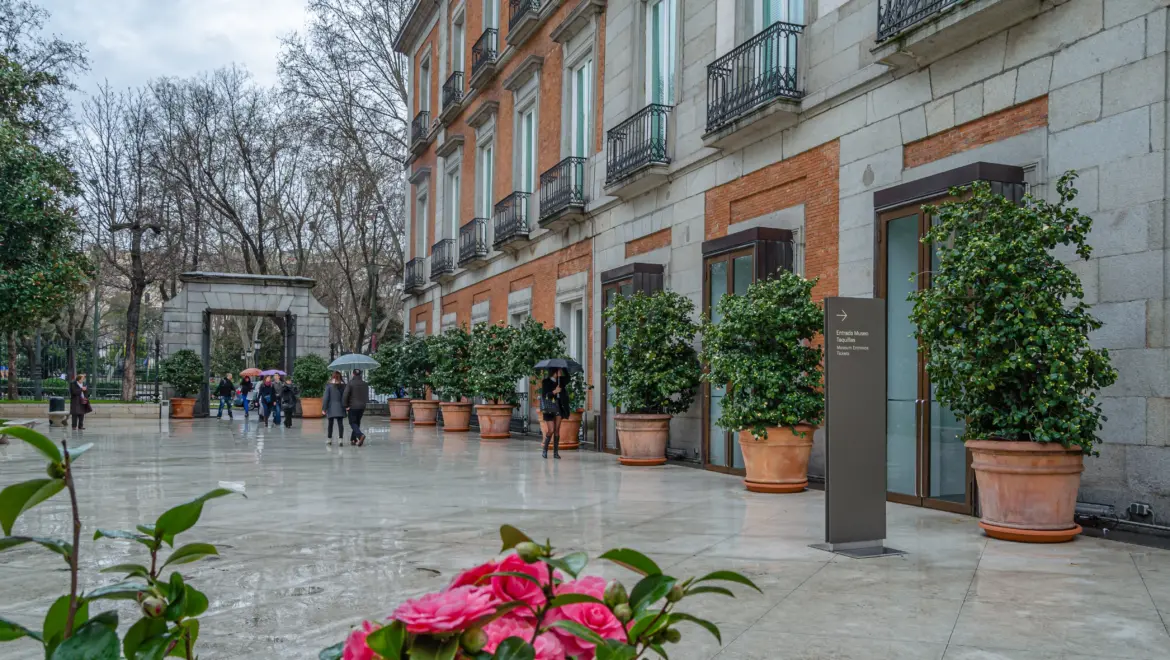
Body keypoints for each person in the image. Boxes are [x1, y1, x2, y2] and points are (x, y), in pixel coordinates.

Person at [540, 368, 570, 459]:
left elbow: (568, 378)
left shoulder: (561, 381)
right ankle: (545, 450)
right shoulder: (546, 381)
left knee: (557, 430)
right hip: (549, 408)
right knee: (551, 430)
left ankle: (555, 453)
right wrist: (554, 391)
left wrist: (564, 368)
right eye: (559, 371)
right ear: (554, 372)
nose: (560, 372)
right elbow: (544, 395)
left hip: (558, 407)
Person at [342, 368, 369, 446]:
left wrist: (345, 406)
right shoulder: (365, 383)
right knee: (357, 422)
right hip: (362, 406)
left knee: (352, 422)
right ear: (360, 374)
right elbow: (366, 396)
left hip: (353, 406)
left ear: (353, 374)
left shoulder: (350, 383)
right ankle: (353, 440)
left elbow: (345, 395)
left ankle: (360, 435)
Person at [322, 371, 346, 445]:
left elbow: (326, 398)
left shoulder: (329, 385)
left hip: (331, 407)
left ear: (333, 376)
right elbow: (345, 397)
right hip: (340, 407)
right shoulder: (344, 385)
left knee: (330, 424)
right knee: (340, 424)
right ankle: (340, 439)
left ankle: (329, 439)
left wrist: (324, 409)